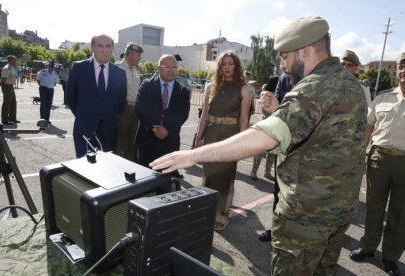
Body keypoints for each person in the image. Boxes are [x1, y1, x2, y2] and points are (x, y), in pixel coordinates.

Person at [150, 16, 367, 275]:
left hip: (309, 214)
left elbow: (264, 137)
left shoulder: (316, 85)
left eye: (285, 57)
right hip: (339, 208)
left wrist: (194, 155)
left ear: (305, 51)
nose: (283, 66)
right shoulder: (350, 82)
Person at [349, 53, 405, 276]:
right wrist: (362, 154)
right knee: (373, 206)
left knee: (400, 213)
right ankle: (368, 247)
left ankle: (391, 256)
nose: (403, 71)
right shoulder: (382, 98)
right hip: (379, 158)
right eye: (401, 66)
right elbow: (368, 128)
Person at [194, 50, 251, 231]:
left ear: (236, 66)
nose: (227, 67)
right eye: (223, 64)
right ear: (219, 67)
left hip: (230, 136)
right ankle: (208, 208)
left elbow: (244, 119)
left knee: (227, 176)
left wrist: (242, 143)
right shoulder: (211, 87)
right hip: (211, 134)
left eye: (230, 64)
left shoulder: (244, 88)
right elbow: (205, 114)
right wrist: (199, 137)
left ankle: (224, 213)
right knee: (209, 174)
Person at [67, 34, 127, 158]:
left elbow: (121, 102)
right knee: (84, 168)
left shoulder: (120, 73)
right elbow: (71, 98)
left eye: (108, 46)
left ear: (112, 48)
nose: (104, 50)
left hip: (109, 130)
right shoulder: (79, 68)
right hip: (84, 128)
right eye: (100, 46)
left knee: (105, 169)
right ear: (92, 48)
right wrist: (84, 116)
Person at [134, 54, 190, 178]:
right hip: (146, 140)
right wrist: (155, 128)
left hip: (169, 142)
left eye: (174, 67)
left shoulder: (182, 90)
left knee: (165, 182)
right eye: (167, 66)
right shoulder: (146, 85)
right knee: (144, 179)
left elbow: (183, 114)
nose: (171, 70)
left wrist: (167, 129)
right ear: (158, 68)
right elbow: (139, 107)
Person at [259, 73, 293, 242]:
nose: (282, 64)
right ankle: (275, 229)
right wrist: (269, 106)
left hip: (310, 154)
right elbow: (276, 112)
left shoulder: (320, 77)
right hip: (284, 150)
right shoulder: (284, 79)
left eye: (285, 57)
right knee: (279, 192)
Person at [114, 43, 143, 162]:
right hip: (123, 108)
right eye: (138, 55)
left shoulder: (136, 70)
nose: (140, 58)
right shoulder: (117, 68)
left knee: (132, 142)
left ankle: (127, 168)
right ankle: (113, 166)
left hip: (135, 109)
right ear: (130, 55)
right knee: (118, 141)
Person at [250, 78, 278, 181]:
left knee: (272, 151)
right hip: (266, 125)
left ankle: (267, 172)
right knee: (260, 151)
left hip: (274, 126)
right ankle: (254, 171)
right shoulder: (267, 95)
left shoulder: (276, 95)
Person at [0, 55, 20, 125]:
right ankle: (4, 119)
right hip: (7, 86)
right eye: (15, 60)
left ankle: (12, 118)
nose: (16, 62)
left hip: (10, 86)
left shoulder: (11, 67)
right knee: (7, 103)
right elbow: (3, 78)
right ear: (11, 61)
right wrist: (1, 84)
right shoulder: (7, 68)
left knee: (13, 102)